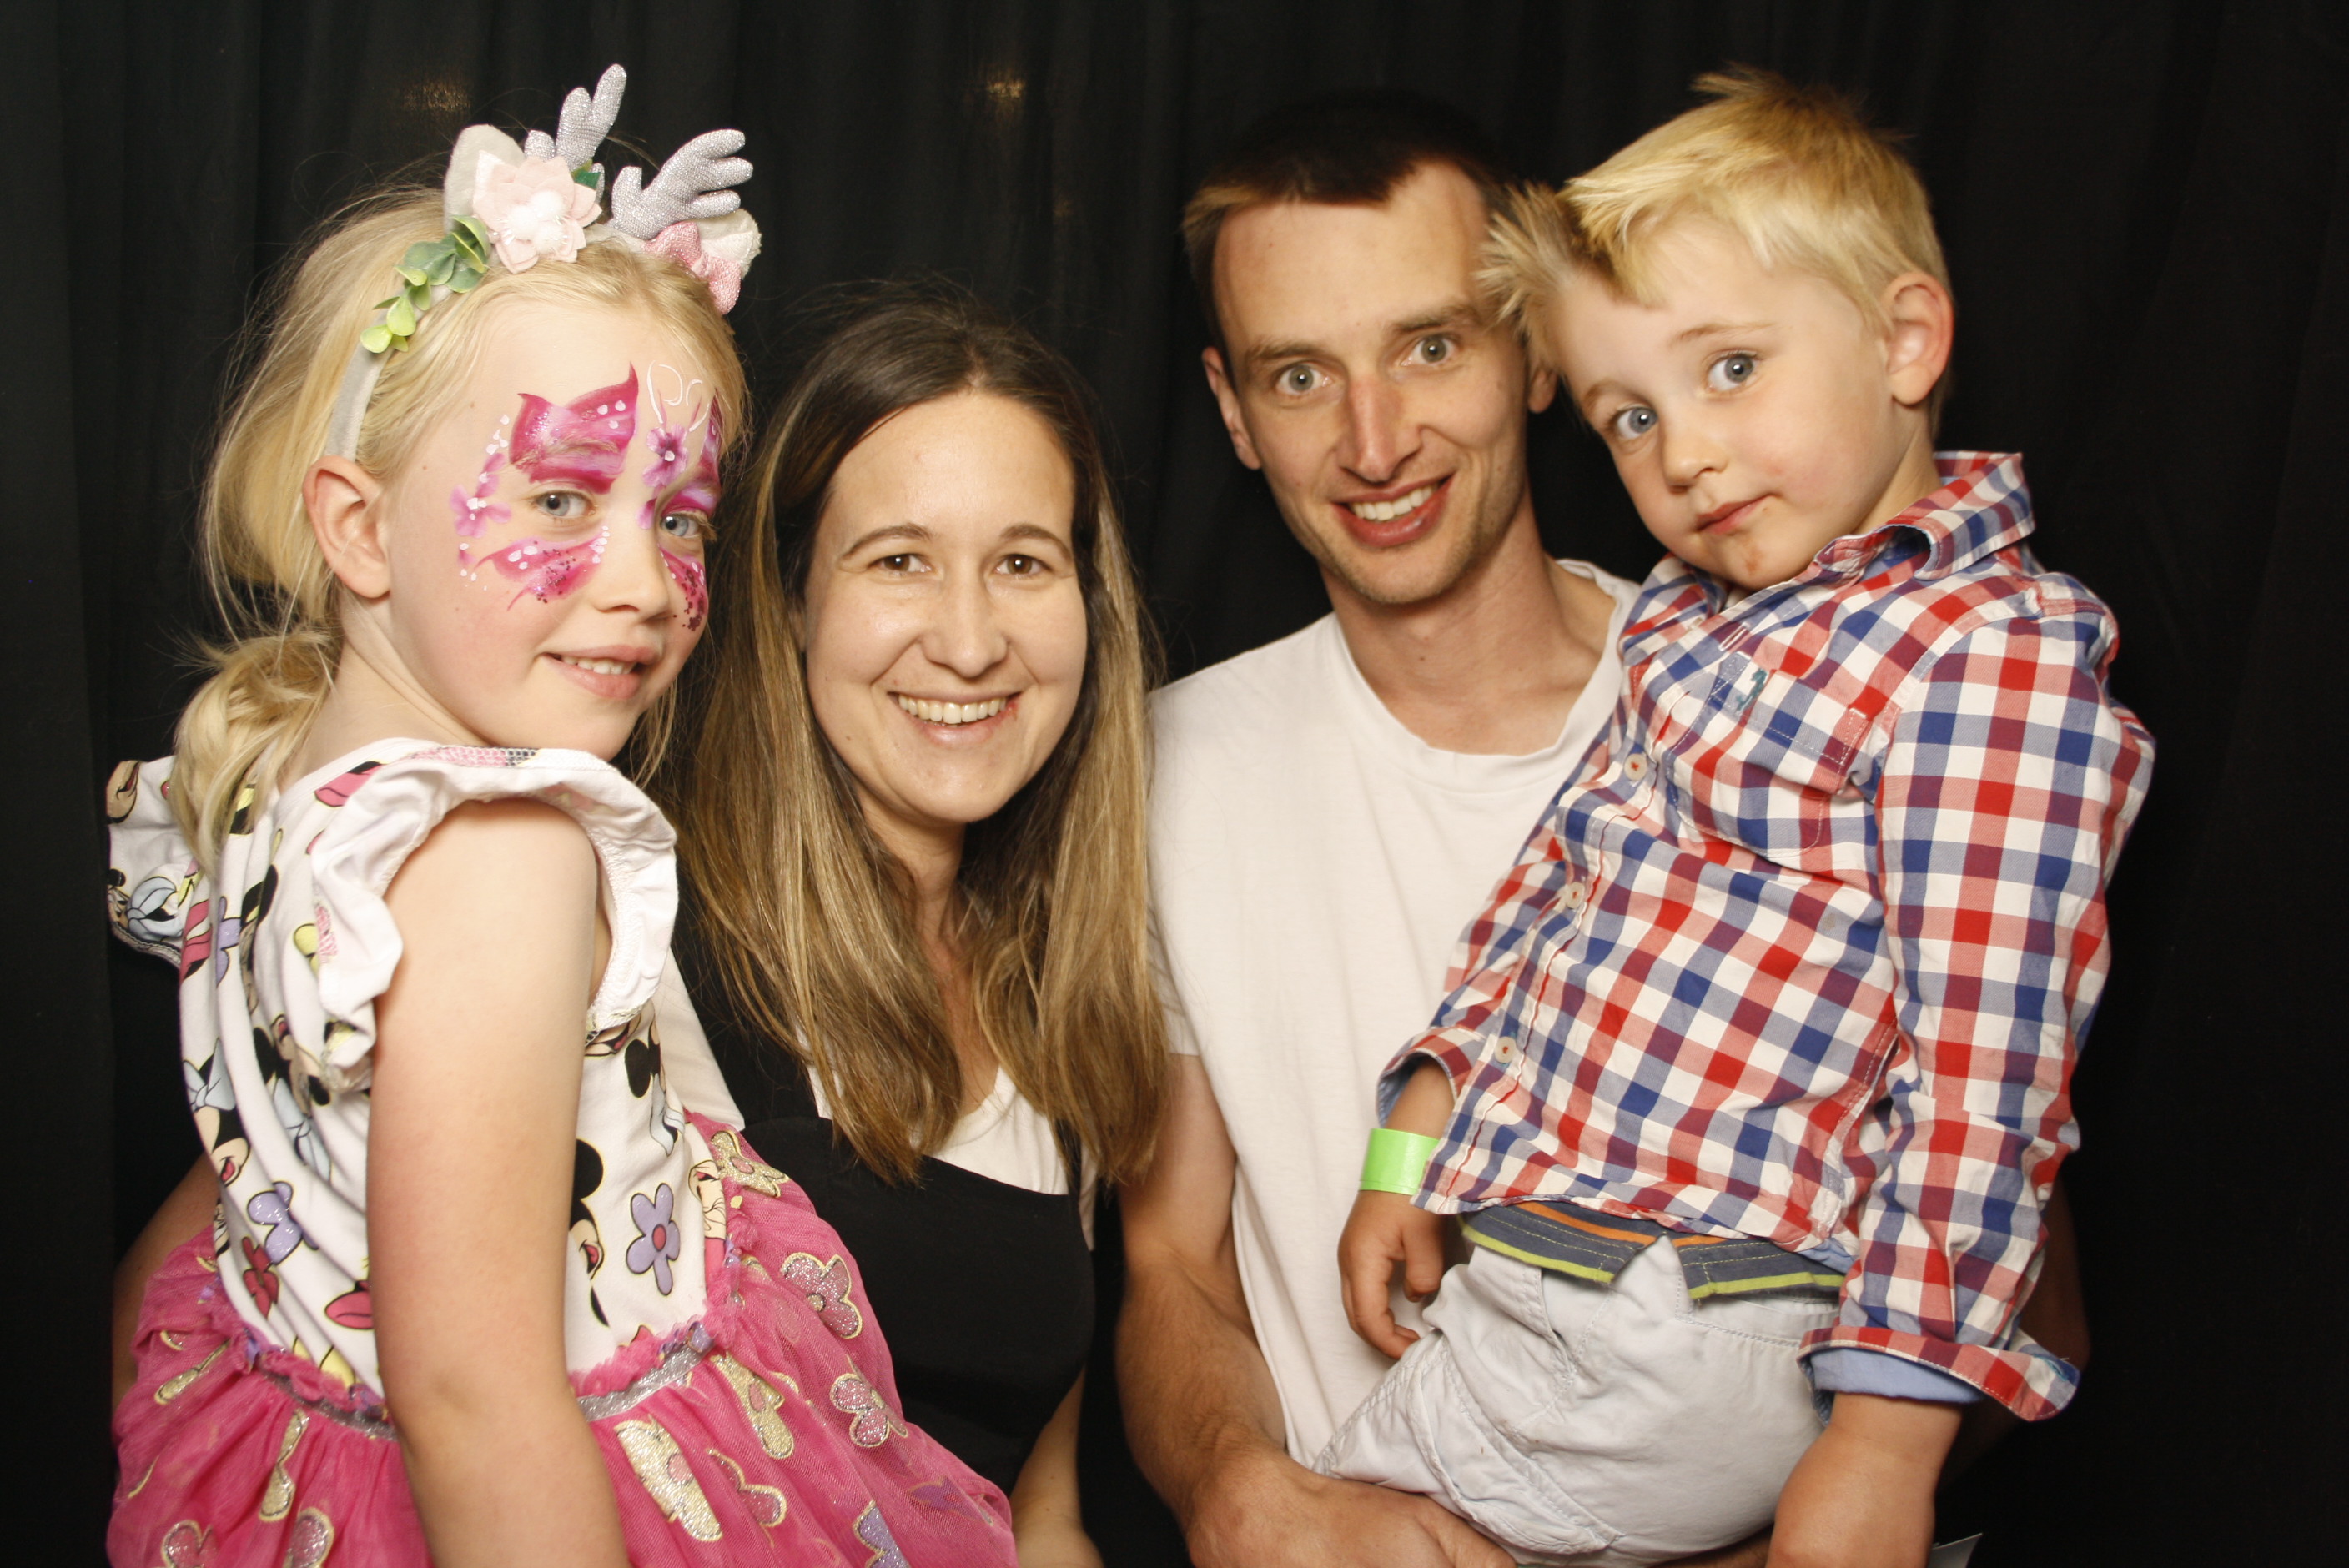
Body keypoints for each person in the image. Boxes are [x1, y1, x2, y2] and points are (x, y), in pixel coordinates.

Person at [103, 77, 1016, 1568]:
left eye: (677, 517)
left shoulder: (265, 785)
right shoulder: (504, 856)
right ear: (356, 526)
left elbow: (230, 1203)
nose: (646, 583)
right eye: (559, 498)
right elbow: (471, 1393)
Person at [1325, 71, 2154, 1568]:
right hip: (1546, 1262)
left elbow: (1985, 1085)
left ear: (1904, 341)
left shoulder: (1989, 654)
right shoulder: (1685, 629)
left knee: (1333, 1533)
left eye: (1730, 372)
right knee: (1309, 1516)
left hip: (1707, 1315)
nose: (1683, 454)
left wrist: (1884, 1451)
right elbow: (1549, 892)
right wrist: (1410, 1149)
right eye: (1629, 414)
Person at [1119, 93, 1637, 1568]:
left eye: (1430, 345)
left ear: (1533, 348)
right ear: (1231, 410)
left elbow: (2004, 1283)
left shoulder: (1768, 711)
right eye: (1300, 376)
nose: (1374, 440)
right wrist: (1231, 1487)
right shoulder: (1165, 773)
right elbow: (1174, 1261)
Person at [657, 280, 1168, 1568]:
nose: (969, 639)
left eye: (1021, 564)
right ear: (789, 603)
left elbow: (1036, 1517)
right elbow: (239, 1319)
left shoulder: (1063, 1000)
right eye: (899, 562)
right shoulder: (628, 938)